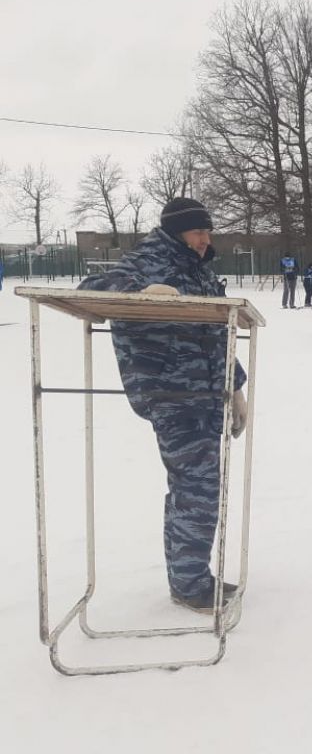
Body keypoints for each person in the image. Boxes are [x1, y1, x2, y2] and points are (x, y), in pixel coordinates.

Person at [77, 197, 247, 612]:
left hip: (205, 394)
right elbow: (89, 292)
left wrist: (236, 387)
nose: (205, 239)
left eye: (208, 231)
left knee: (194, 489)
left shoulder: (197, 270)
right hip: (173, 396)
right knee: (198, 490)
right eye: (197, 231)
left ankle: (191, 578)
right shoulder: (147, 262)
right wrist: (140, 293)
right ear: (176, 231)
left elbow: (216, 332)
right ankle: (190, 586)